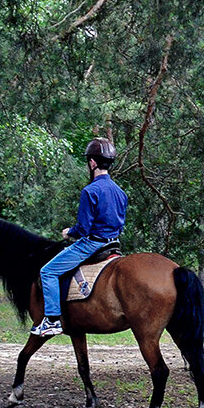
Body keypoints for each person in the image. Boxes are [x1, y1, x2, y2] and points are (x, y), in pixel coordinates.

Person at [30, 137, 129, 337]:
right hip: (114, 244)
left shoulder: (90, 191)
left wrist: (69, 232)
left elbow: (83, 229)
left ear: (92, 163)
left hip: (93, 244)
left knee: (48, 272)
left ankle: (52, 321)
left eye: (88, 161)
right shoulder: (120, 192)